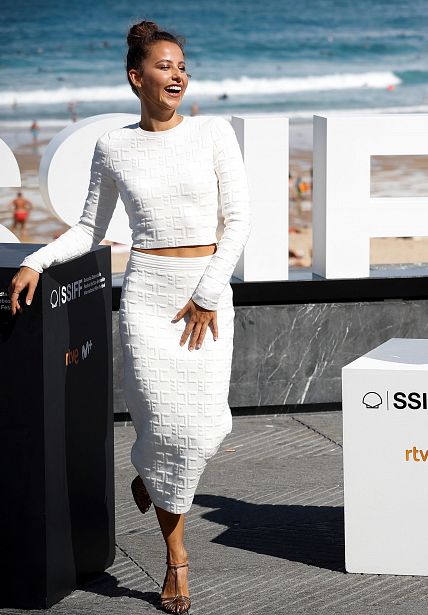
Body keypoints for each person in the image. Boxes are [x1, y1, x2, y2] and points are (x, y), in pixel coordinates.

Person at [8, 21, 250, 614]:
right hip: (146, 298)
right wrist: (36, 261)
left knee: (202, 431)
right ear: (135, 77)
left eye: (183, 65)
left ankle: (149, 468)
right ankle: (177, 560)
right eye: (164, 66)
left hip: (205, 296)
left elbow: (238, 223)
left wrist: (210, 292)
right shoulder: (113, 146)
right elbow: (91, 229)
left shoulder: (214, 133)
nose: (177, 74)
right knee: (169, 428)